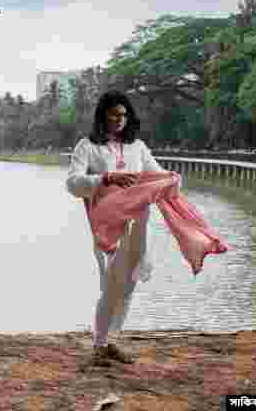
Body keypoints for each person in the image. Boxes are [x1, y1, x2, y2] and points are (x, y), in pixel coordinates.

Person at [66, 90, 163, 366]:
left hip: (137, 223)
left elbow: (155, 174)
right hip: (106, 225)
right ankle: (99, 345)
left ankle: (110, 341)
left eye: (124, 114)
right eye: (114, 114)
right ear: (103, 116)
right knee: (112, 284)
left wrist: (170, 179)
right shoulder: (87, 146)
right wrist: (107, 178)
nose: (120, 119)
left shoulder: (138, 147)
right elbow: (73, 183)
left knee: (130, 284)